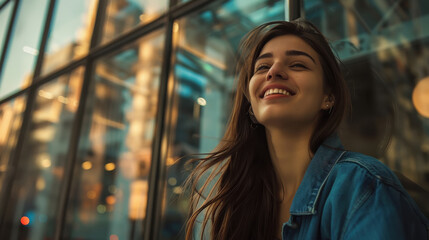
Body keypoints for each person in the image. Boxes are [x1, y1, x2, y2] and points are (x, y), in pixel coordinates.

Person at [185, 20, 429, 240]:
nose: (274, 71)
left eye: (298, 64)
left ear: (328, 97)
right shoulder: (233, 199)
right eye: (262, 67)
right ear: (251, 101)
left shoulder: (362, 186)